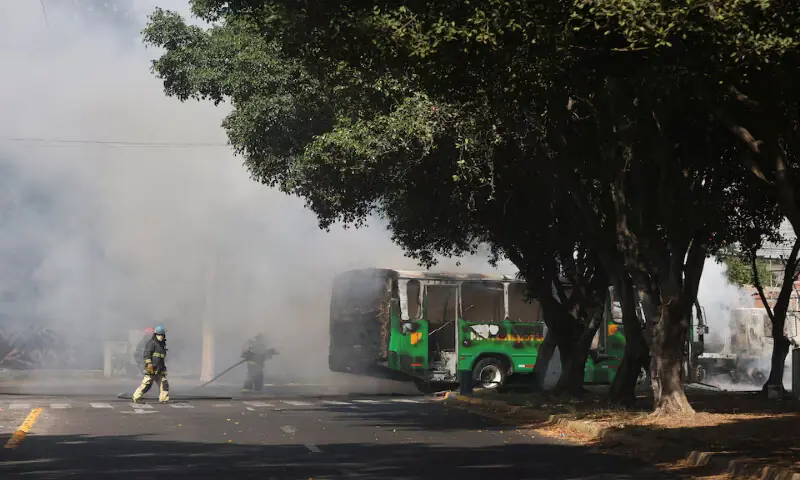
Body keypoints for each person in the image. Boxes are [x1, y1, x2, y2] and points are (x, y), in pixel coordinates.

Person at [132, 325, 169, 404]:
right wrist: (149, 364)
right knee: (147, 383)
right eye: (159, 335)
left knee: (164, 383)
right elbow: (147, 355)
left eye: (162, 335)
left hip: (160, 368)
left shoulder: (162, 345)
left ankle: (163, 399)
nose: (161, 336)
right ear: (155, 335)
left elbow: (161, 358)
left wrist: (163, 368)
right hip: (151, 367)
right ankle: (136, 397)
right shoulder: (151, 343)